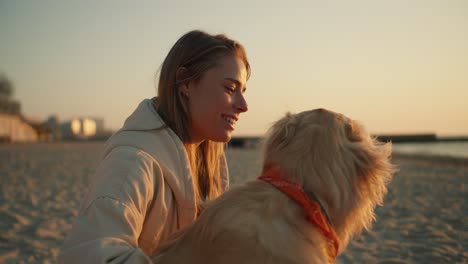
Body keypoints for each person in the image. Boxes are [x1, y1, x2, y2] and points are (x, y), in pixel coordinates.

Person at [59, 30, 250, 263]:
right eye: (230, 88)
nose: (243, 105)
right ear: (186, 83)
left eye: (243, 91)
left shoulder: (209, 166)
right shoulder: (132, 163)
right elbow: (88, 256)